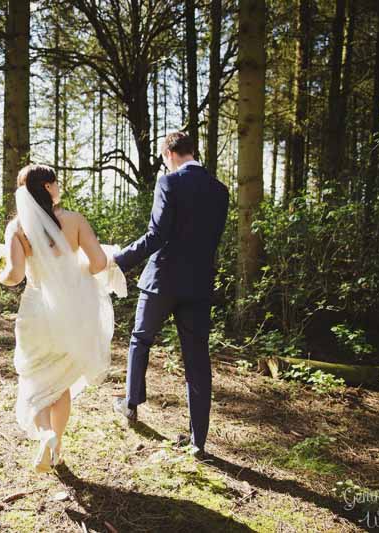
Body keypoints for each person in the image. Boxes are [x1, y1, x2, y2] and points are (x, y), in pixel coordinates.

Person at [0, 164, 125, 472]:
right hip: (73, 312)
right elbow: (99, 262)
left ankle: (45, 435)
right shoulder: (74, 220)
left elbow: (16, 275)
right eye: (56, 182)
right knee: (60, 383)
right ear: (48, 187)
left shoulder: (18, 228)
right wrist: (74, 277)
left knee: (35, 381)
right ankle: (56, 445)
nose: (59, 187)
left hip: (36, 311)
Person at [112, 131, 229, 459]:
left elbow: (156, 236)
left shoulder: (169, 183)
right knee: (197, 361)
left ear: (168, 153)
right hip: (199, 285)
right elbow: (210, 240)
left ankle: (131, 405)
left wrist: (118, 261)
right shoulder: (220, 191)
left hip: (162, 281)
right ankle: (198, 441)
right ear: (192, 151)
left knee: (140, 339)